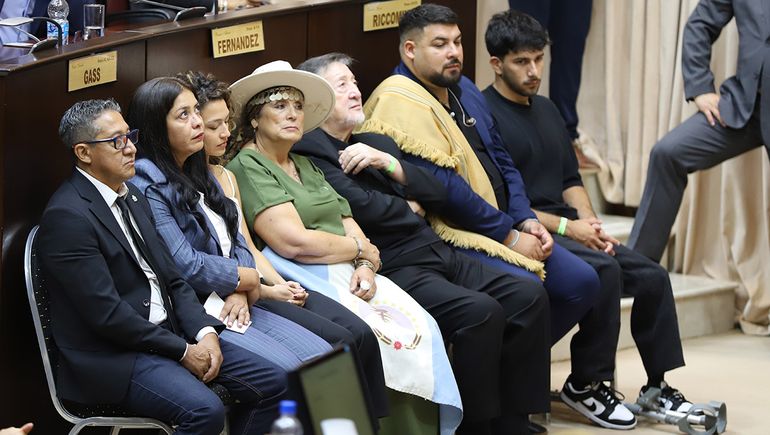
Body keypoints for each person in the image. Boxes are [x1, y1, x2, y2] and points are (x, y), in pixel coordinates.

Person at [294, 52, 551, 435]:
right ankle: (475, 428)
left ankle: (513, 421)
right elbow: (361, 208)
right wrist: (408, 204)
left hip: (437, 249)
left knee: (527, 293)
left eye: (354, 82)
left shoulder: (377, 141)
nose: (354, 91)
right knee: (480, 312)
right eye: (341, 84)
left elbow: (438, 192)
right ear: (318, 101)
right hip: (396, 265)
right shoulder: (311, 150)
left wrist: (390, 164)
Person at [131, 71, 388, 421]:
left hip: (235, 293)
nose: (198, 125)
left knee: (326, 358)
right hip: (199, 309)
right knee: (298, 373)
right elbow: (186, 264)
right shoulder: (147, 182)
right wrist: (247, 281)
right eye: (186, 116)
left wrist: (242, 283)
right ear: (156, 127)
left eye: (197, 114)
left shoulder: (200, 169)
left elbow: (236, 238)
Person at [226, 60, 462, 435]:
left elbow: (349, 221)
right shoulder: (248, 164)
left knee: (423, 327)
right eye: (279, 105)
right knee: (369, 334)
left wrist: (367, 263)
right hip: (297, 272)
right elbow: (294, 242)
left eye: (298, 106)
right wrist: (358, 250)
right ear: (254, 119)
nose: (292, 115)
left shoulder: (306, 164)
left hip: (349, 269)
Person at [483, 9, 693, 430]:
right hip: (531, 228)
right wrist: (568, 228)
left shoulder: (548, 111)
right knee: (606, 271)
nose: (534, 70)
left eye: (538, 59)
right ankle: (586, 382)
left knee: (652, 276)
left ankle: (656, 385)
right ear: (496, 64)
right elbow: (504, 203)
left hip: (570, 227)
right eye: (522, 62)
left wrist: (591, 223)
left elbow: (570, 179)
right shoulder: (486, 117)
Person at [362, 3, 600, 356]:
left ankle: (506, 375)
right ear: (410, 50)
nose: (454, 52)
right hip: (457, 231)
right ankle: (500, 387)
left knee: (583, 282)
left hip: (507, 217)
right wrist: (509, 234)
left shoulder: (465, 88)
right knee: (527, 290)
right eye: (440, 44)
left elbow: (503, 159)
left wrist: (526, 218)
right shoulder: (399, 100)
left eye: (457, 42)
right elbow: (445, 189)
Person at [37, 99, 287, 434]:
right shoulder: (68, 217)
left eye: (130, 136)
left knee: (275, 381)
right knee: (205, 411)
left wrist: (205, 333)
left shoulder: (131, 195)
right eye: (116, 141)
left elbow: (174, 278)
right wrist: (184, 350)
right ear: (84, 153)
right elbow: (106, 315)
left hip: (170, 334)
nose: (130, 149)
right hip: (117, 356)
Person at [627, 0, 770, 262]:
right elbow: (700, 24)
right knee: (668, 154)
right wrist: (700, 86)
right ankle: (634, 274)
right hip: (745, 106)